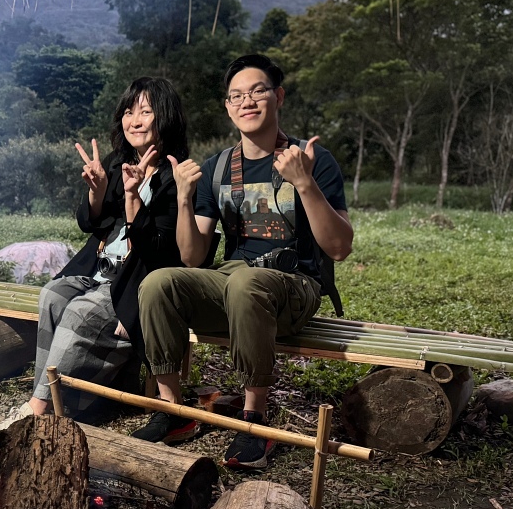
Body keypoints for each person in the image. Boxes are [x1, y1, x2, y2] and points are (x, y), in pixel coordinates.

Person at [131, 54, 354, 469]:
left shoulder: (311, 160)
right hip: (234, 282)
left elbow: (339, 248)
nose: (247, 101)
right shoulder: (218, 168)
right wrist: (182, 197)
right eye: (236, 96)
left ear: (279, 96)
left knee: (245, 283)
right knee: (159, 282)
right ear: (228, 107)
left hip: (294, 286)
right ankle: (172, 410)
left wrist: (304, 183)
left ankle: (254, 418)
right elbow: (193, 256)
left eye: (257, 91)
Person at [0, 77, 191, 431]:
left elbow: (160, 249)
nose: (136, 120)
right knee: (52, 296)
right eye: (129, 112)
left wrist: (135, 200)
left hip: (136, 278)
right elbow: (90, 223)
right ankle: (66, 403)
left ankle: (38, 411)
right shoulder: (117, 163)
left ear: (167, 118)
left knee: (82, 313)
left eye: (146, 111)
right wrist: (98, 192)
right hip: (99, 268)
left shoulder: (176, 177)